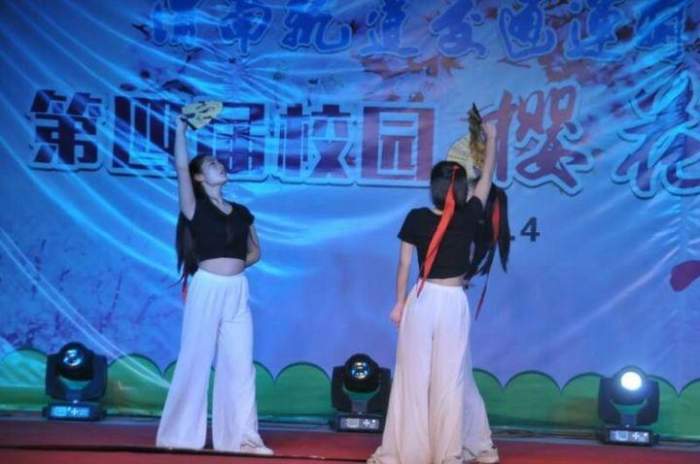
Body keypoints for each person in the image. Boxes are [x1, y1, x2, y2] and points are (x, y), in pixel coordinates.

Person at [368, 121, 500, 464]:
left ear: (434, 188)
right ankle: (437, 453)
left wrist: (400, 303)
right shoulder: (468, 214)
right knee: (439, 378)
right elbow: (487, 178)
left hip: (425, 300)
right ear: (461, 189)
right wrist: (493, 139)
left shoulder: (424, 217)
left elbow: (403, 266)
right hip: (443, 300)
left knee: (426, 376)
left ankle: (430, 450)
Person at [156, 115, 272, 455]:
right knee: (195, 358)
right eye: (210, 164)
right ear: (198, 177)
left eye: (219, 162)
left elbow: (255, 251)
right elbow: (180, 167)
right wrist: (181, 128)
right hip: (206, 287)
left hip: (237, 289)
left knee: (240, 364)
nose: (218, 165)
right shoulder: (194, 207)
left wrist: (234, 267)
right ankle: (180, 436)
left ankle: (243, 439)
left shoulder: (242, 212)